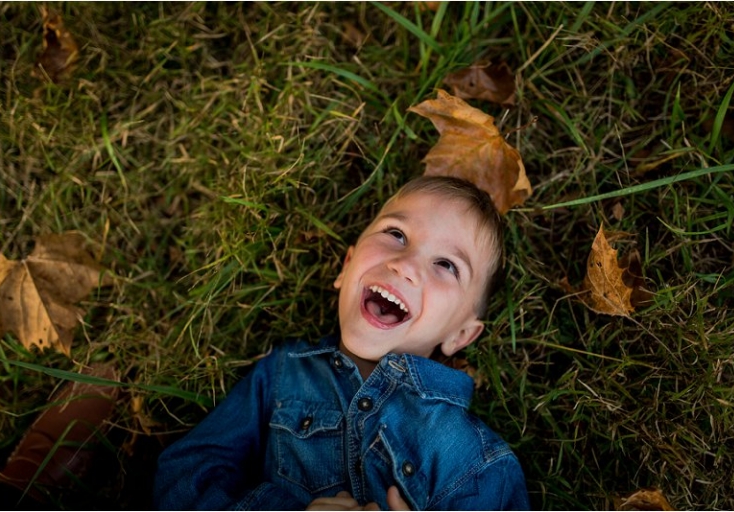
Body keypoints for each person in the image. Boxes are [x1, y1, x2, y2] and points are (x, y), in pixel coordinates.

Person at [153, 176, 530, 510]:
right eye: (396, 234)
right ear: (346, 267)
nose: (406, 264)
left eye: (447, 265)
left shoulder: (474, 461)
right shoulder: (283, 373)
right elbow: (184, 474)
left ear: (460, 335)